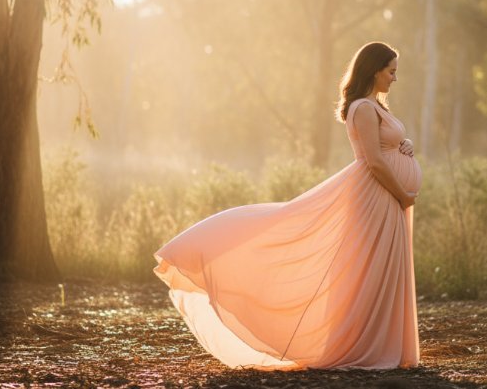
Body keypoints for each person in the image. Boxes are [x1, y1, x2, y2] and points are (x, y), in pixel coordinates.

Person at [153, 41, 421, 370]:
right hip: (377, 198)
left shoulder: (376, 106)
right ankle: (360, 344)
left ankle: (379, 342)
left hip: (385, 199)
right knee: (368, 270)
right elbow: (375, 162)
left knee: (379, 271)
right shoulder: (363, 108)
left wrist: (404, 144)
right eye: (391, 71)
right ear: (374, 69)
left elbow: (385, 146)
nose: (395, 78)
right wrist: (403, 194)